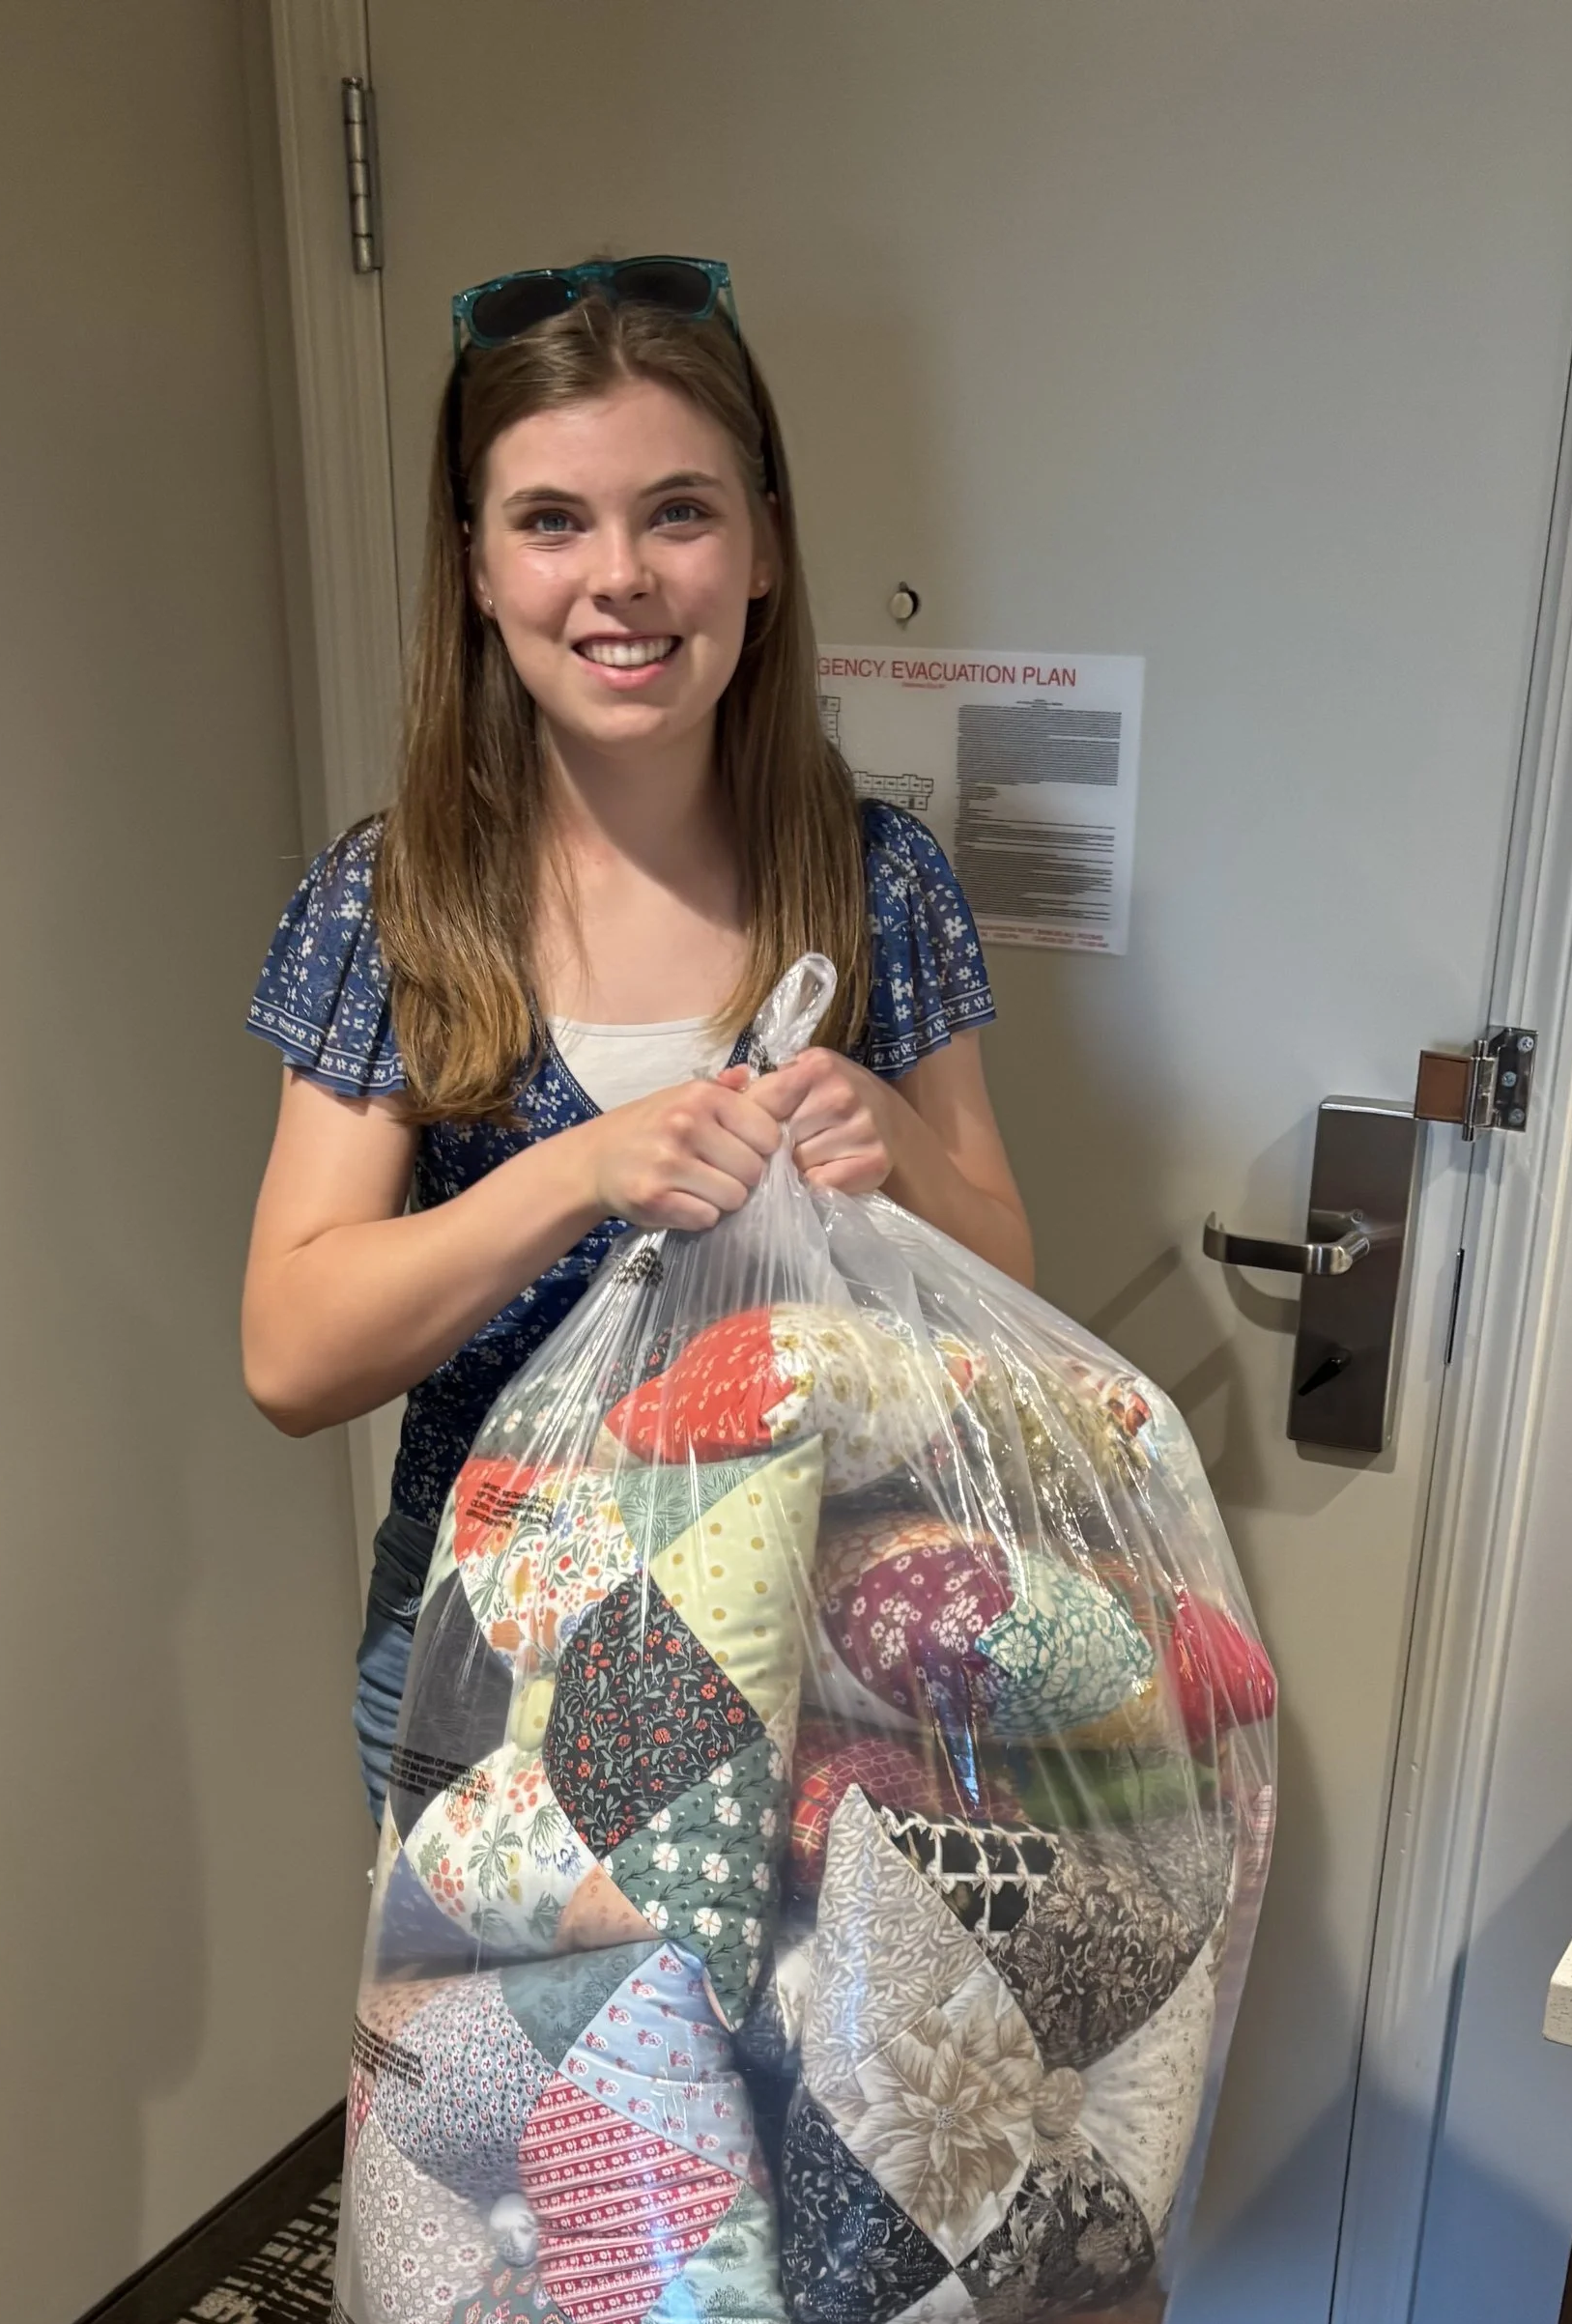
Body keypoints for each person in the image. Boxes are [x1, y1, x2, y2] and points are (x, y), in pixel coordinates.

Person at [240, 254, 1031, 1820]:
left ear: (763, 551)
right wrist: (583, 1168)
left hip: (829, 1628)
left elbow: (1006, 1272)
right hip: (494, 1633)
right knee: (513, 2074)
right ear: (474, 566)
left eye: (680, 511)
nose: (621, 576)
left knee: (812, 2072)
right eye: (551, 520)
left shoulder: (878, 882)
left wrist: (894, 1145)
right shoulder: (398, 900)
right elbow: (291, 1352)